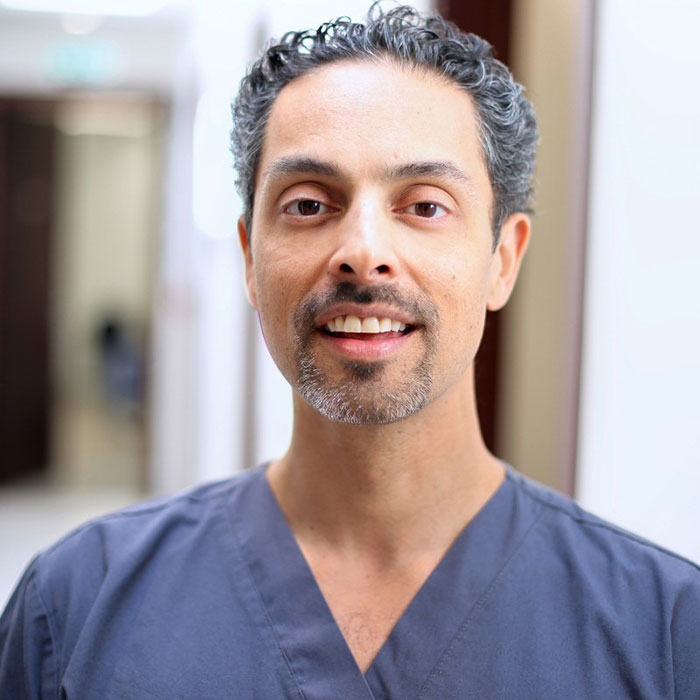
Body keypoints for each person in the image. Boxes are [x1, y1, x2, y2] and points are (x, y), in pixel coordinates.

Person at [1, 5, 698, 699]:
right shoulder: (75, 610)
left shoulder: (662, 633)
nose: (363, 254)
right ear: (249, 257)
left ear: (503, 260)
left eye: (424, 206)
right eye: (309, 204)